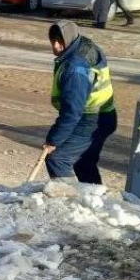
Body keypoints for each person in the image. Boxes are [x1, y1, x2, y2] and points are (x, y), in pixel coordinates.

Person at [42, 21, 117, 185]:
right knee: (84, 162)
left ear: (68, 39)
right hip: (104, 115)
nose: (55, 46)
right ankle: (93, 200)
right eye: (53, 40)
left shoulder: (75, 68)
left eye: (59, 41)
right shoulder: (82, 46)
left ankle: (70, 198)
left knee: (57, 159)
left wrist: (53, 140)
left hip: (92, 119)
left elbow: (72, 112)